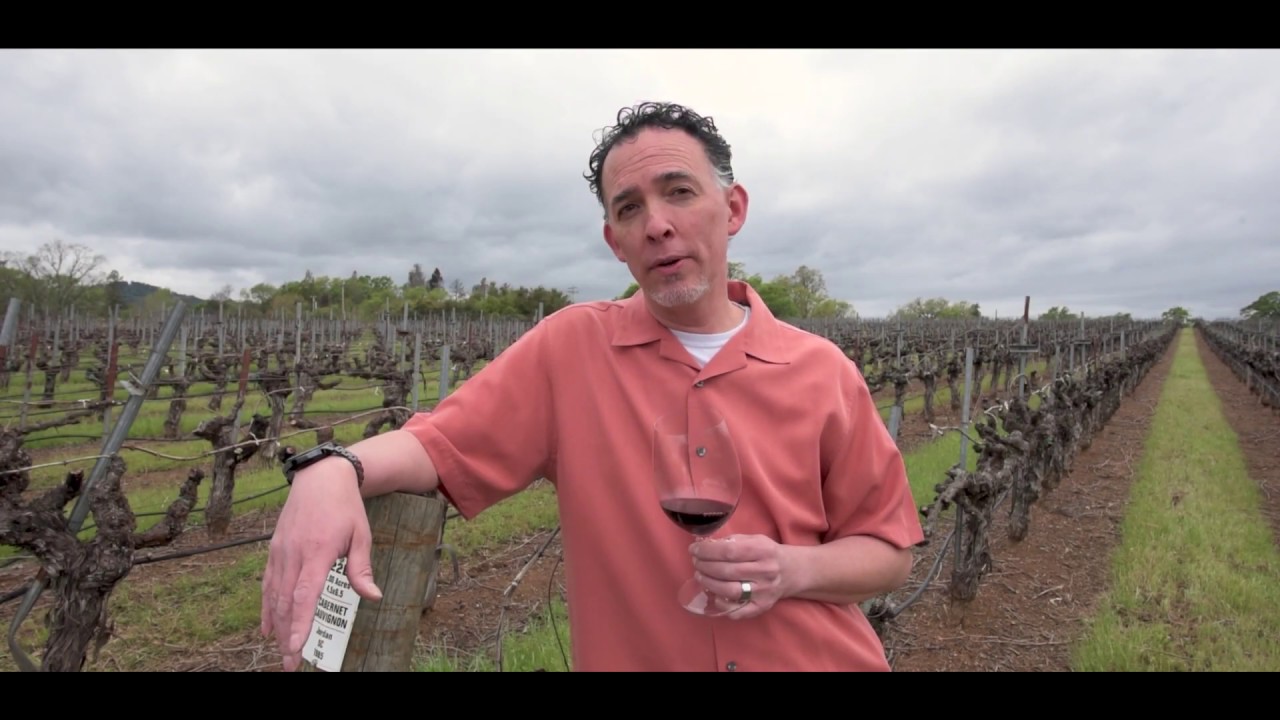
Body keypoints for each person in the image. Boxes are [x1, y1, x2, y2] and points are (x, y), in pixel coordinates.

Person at [261, 101, 925, 672]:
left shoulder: (822, 371)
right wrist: (332, 469)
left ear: (733, 208)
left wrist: (794, 570)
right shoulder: (571, 349)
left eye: (680, 192)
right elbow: (440, 447)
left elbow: (889, 553)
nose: (656, 223)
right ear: (615, 241)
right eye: (629, 208)